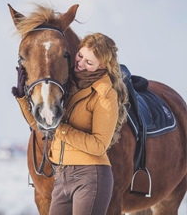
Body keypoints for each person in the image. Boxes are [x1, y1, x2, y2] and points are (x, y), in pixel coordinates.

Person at [12, 33, 128, 215]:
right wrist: (21, 98)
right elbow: (39, 127)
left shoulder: (105, 95)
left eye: (89, 63)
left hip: (91, 177)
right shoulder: (67, 88)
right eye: (80, 56)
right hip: (62, 175)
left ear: (102, 66)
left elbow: (99, 146)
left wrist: (60, 129)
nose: (81, 64)